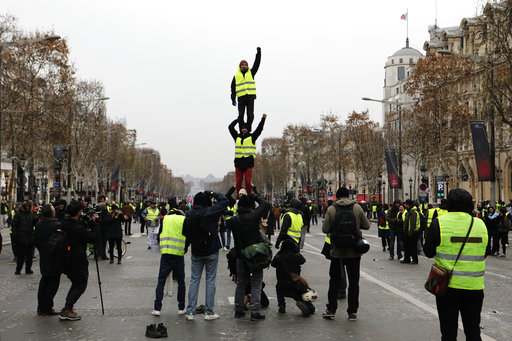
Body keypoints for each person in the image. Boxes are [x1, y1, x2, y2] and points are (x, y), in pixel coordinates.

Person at [424, 188, 488, 341]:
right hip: (474, 287)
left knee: (449, 332)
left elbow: (428, 252)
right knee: (473, 331)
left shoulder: (439, 223)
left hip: (447, 287)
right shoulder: (480, 224)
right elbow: (484, 252)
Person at [322, 187, 370, 321]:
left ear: (337, 196)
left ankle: (331, 309)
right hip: (354, 250)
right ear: (348, 195)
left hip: (337, 251)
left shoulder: (331, 209)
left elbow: (325, 229)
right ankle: (352, 312)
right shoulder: (357, 208)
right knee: (354, 282)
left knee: (334, 281)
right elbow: (367, 226)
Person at [182, 191, 228, 321]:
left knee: (194, 280)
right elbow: (225, 201)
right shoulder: (210, 212)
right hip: (211, 250)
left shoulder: (189, 214)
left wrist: (186, 247)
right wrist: (214, 193)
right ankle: (209, 312)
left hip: (196, 251)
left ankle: (190, 312)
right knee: (210, 281)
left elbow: (185, 232)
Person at [231, 191, 270, 320]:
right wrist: (253, 194)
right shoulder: (253, 216)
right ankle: (254, 311)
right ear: (250, 206)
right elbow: (265, 204)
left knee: (241, 283)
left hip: (240, 255)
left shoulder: (233, 220)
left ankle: (238, 309)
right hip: (254, 255)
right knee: (256, 283)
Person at [59, 200, 99, 320]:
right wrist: (96, 224)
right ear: (78, 212)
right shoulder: (77, 228)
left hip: (66, 258)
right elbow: (94, 238)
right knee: (80, 284)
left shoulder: (64, 223)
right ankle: (67, 309)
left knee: (76, 283)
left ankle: (68, 307)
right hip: (77, 260)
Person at [151, 205, 188, 316]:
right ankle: (181, 308)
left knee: (161, 280)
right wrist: (184, 249)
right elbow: (187, 236)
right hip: (178, 254)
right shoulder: (183, 219)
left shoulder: (165, 219)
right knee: (181, 282)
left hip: (166, 254)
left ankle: (157, 308)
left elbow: (159, 235)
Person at [272, 238, 315, 317]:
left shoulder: (279, 257)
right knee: (301, 297)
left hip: (282, 284)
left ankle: (282, 306)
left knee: (279, 290)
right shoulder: (297, 255)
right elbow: (303, 261)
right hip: (295, 284)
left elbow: (273, 264)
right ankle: (308, 307)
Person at [228, 114, 267, 198]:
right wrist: (237, 120)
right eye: (242, 128)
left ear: (248, 129)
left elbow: (259, 129)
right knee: (238, 183)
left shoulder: (252, 137)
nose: (244, 129)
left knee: (248, 182)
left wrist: (263, 119)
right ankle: (239, 198)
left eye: (245, 128)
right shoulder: (237, 137)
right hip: (238, 163)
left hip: (248, 162)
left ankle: (248, 197)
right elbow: (230, 127)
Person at [35, 204, 62, 315]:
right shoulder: (56, 225)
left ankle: (41, 306)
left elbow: (35, 240)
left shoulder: (38, 224)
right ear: (52, 213)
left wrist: (42, 250)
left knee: (44, 281)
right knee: (53, 282)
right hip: (55, 257)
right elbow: (61, 241)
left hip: (44, 256)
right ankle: (47, 307)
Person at [230, 47, 261, 131]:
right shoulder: (236, 75)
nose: (244, 66)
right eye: (242, 65)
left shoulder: (251, 72)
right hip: (241, 98)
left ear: (247, 66)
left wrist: (258, 53)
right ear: (240, 66)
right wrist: (233, 99)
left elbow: (257, 64)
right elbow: (233, 88)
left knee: (250, 115)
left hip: (250, 98)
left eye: (245, 65)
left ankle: (248, 129)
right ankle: (242, 129)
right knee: (240, 116)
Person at [11, 200, 36, 275]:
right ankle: (18, 269)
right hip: (21, 238)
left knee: (29, 256)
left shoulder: (31, 214)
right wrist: (15, 236)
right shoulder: (18, 214)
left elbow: (33, 224)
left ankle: (28, 269)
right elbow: (14, 225)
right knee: (20, 256)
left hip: (29, 238)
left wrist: (36, 220)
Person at [402, 200, 420, 264]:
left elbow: (412, 224)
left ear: (409, 205)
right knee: (407, 247)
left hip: (412, 233)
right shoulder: (409, 212)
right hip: (408, 232)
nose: (405, 206)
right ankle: (407, 259)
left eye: (406, 204)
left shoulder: (413, 212)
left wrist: (410, 233)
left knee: (412, 247)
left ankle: (415, 260)